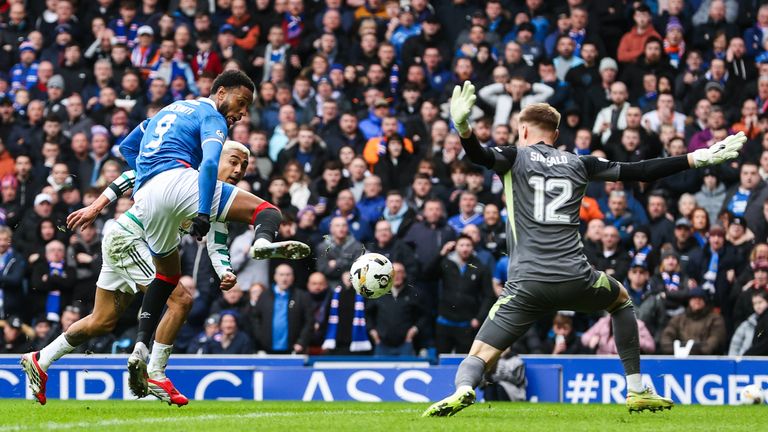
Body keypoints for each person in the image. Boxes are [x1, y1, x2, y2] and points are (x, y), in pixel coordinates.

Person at [423, 81, 745, 417]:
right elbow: (641, 170)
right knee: (621, 301)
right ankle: (636, 389)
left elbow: (478, 155)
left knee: (479, 352)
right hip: (577, 279)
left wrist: (463, 127)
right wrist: (694, 158)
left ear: (522, 130)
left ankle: (463, 389)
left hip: (526, 286)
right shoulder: (579, 163)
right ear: (557, 134)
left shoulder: (513, 156)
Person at [115, 70, 310, 397]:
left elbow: (127, 146)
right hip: (179, 184)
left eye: (247, 107)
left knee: (166, 279)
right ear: (220, 92)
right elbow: (208, 166)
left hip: (146, 196)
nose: (243, 112)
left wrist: (144, 181)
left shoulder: (172, 108)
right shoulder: (211, 116)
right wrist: (203, 211)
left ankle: (140, 347)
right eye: (241, 102)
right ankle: (261, 242)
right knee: (268, 212)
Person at [20, 141, 251, 406]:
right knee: (181, 300)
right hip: (131, 239)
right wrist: (96, 206)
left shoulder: (219, 200)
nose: (238, 169)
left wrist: (225, 271)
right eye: (233, 161)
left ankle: (41, 358)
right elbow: (134, 174)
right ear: (213, 158)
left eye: (243, 165)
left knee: (101, 321)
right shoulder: (186, 174)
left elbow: (218, 241)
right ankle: (156, 371)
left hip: (129, 243)